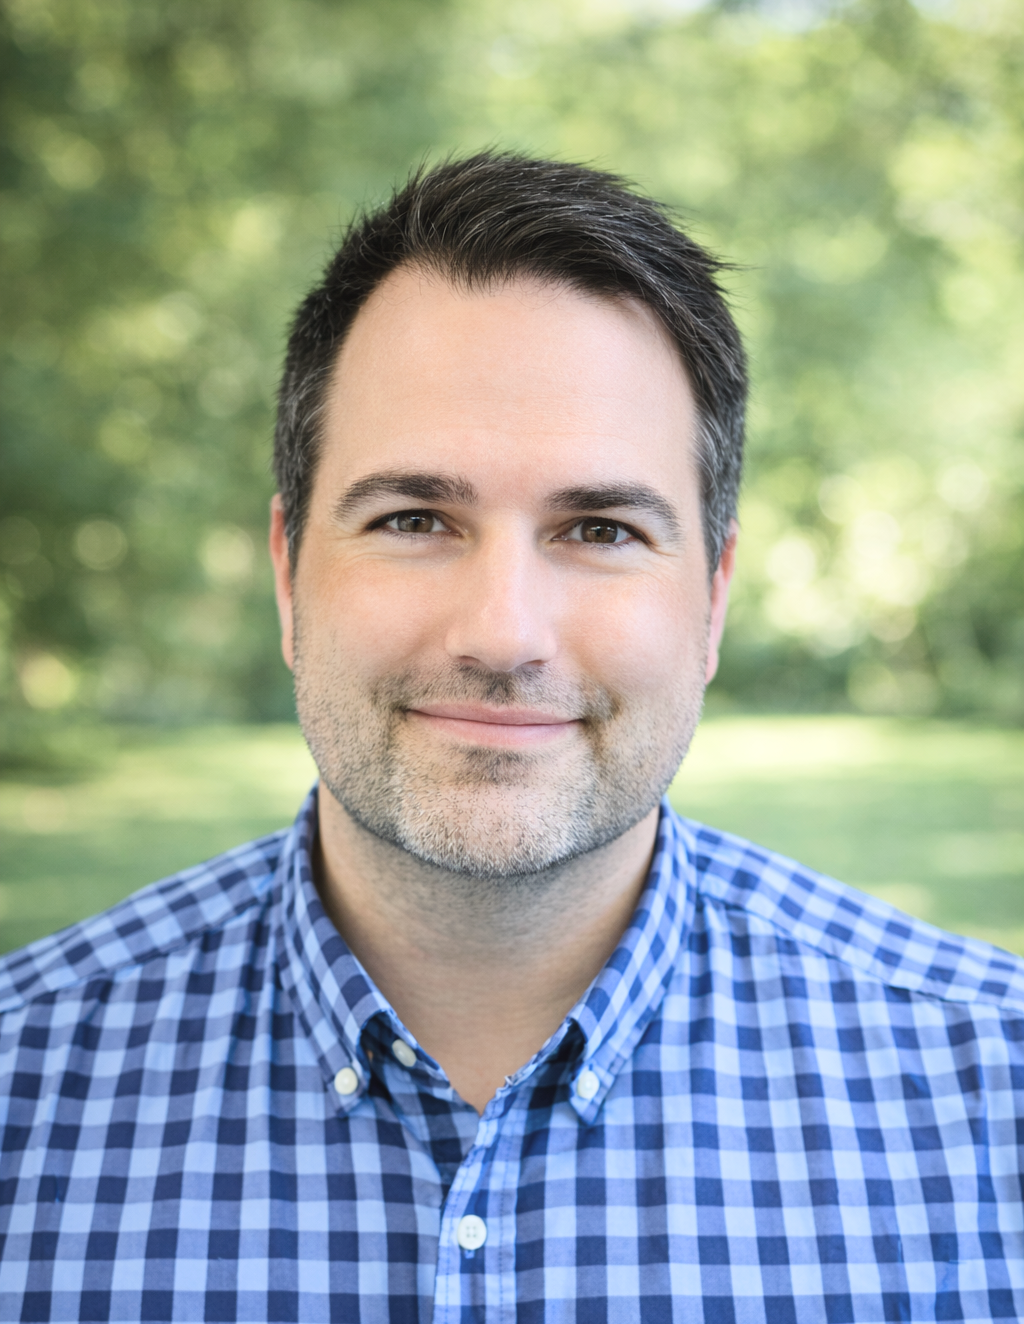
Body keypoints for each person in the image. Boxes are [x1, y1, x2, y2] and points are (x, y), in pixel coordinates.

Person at [0, 152, 1021, 1324]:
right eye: (415, 518)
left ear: (713, 599)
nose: (503, 633)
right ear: (289, 575)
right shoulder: (21, 1093)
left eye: (598, 528)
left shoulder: (994, 1095)